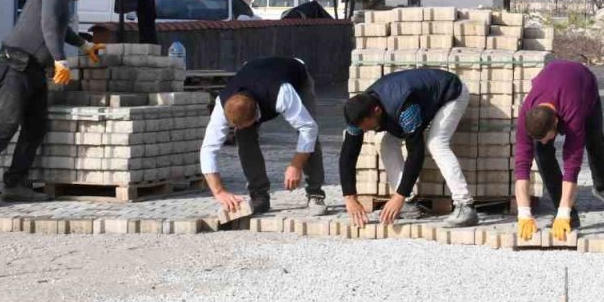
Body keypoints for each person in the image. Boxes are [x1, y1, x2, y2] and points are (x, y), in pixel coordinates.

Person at [0, 0, 105, 205]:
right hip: (14, 66)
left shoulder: (62, 1)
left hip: (33, 71)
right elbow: (49, 28)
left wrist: (84, 45)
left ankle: (15, 183)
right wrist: (60, 60)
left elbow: (61, 30)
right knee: (6, 121)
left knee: (35, 127)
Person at [340, 68, 477, 228]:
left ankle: (465, 206)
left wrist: (399, 195)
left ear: (376, 111)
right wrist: (350, 197)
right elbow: (348, 155)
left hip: (451, 93)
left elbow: (416, 153)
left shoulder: (406, 110)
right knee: (386, 142)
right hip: (420, 100)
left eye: (365, 127)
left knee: (436, 143)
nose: (363, 131)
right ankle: (409, 205)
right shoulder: (360, 113)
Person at [198, 57, 327, 216]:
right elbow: (208, 150)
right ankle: (259, 195)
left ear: (256, 117)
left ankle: (315, 193)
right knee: (244, 136)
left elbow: (309, 129)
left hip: (295, 76)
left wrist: (296, 165)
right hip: (256, 73)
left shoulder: (281, 94)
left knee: (308, 131)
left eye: (245, 123)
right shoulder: (223, 103)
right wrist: (219, 192)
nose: (235, 129)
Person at [513, 60, 604, 241]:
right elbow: (521, 169)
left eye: (547, 137)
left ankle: (601, 187)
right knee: (541, 152)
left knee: (594, 138)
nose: (545, 141)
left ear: (557, 124)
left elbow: (572, 167)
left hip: (584, 86)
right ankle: (571, 215)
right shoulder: (525, 117)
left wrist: (562, 213)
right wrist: (524, 214)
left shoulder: (573, 114)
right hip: (552, 79)